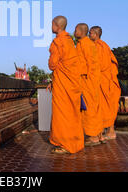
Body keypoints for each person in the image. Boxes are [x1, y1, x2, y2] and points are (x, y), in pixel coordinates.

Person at [47, 16, 84, 154]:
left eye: (51, 24)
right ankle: (75, 142)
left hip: (63, 84)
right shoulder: (70, 42)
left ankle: (65, 144)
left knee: (62, 113)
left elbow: (52, 64)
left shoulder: (58, 42)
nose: (50, 27)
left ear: (56, 26)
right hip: (72, 83)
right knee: (73, 113)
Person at [74, 23, 104, 146]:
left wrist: (90, 82)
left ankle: (93, 137)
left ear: (81, 31)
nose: (74, 32)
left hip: (88, 81)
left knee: (89, 109)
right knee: (90, 108)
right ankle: (97, 135)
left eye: (76, 30)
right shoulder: (82, 44)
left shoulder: (87, 44)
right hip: (84, 81)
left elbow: (93, 66)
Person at [89, 26, 121, 139]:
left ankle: (104, 133)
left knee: (101, 107)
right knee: (107, 106)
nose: (89, 35)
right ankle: (109, 131)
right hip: (106, 81)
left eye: (90, 33)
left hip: (102, 80)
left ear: (95, 34)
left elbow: (100, 65)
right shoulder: (105, 46)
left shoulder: (99, 46)